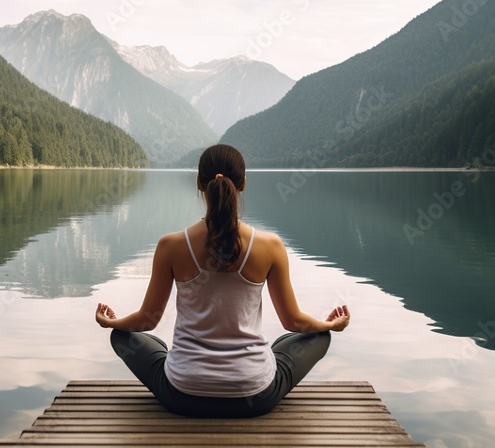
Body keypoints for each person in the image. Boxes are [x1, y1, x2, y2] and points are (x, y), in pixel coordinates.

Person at [94, 144, 350, 418]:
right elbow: (294, 322)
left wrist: (112, 323)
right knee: (316, 338)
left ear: (199, 183)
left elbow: (147, 320)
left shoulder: (171, 246)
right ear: (243, 185)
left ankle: (183, 364)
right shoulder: (270, 246)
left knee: (124, 338)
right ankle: (258, 364)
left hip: (181, 395)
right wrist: (329, 325)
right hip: (255, 395)